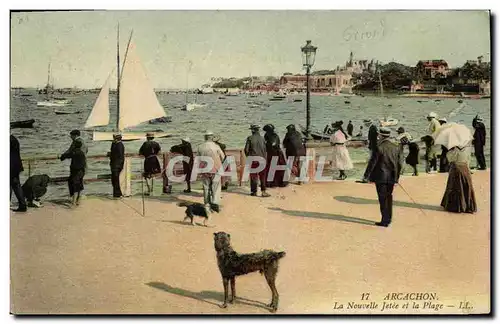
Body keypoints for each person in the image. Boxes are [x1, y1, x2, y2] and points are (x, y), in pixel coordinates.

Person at [365, 127, 402, 227]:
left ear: (380, 135)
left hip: (380, 176)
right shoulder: (396, 147)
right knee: (389, 197)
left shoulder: (379, 147)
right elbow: (399, 164)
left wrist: (366, 175)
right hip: (391, 177)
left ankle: (385, 220)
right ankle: (388, 219)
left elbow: (372, 162)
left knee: (382, 199)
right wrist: (397, 178)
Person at [441, 144, 477, 213]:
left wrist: (449, 151)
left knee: (455, 187)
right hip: (465, 169)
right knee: (466, 187)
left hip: (456, 170)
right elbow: (469, 160)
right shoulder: (467, 150)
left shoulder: (454, 151)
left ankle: (455, 206)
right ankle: (467, 205)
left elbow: (450, 159)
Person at [197, 130, 226, 211]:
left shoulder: (200, 146)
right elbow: (223, 157)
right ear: (212, 137)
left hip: (204, 170)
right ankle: (215, 204)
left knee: (206, 187)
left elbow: (198, 159)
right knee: (215, 188)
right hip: (216, 169)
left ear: (205, 137)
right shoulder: (216, 146)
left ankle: (207, 203)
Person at [245, 124, 270, 197]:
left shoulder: (250, 138)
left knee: (253, 176)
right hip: (262, 159)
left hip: (253, 159)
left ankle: (254, 192)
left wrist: (248, 156)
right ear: (258, 130)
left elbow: (246, 150)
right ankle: (263, 191)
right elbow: (265, 150)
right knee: (262, 176)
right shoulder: (262, 138)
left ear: (252, 130)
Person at [60, 137, 87, 207]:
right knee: (79, 185)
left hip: (76, 172)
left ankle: (74, 202)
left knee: (74, 186)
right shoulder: (82, 153)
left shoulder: (74, 152)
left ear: (74, 146)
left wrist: (60, 157)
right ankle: (78, 200)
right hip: (82, 171)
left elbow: (67, 155)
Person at [10, 134, 27, 212]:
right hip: (16, 166)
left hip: (11, 166)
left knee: (13, 185)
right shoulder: (14, 139)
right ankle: (23, 205)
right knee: (16, 185)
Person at [108, 133, 125, 198]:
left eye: (114, 138)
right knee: (114, 179)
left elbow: (119, 156)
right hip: (115, 164)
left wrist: (118, 165)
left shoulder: (119, 145)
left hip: (117, 165)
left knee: (115, 179)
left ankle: (117, 194)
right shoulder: (115, 144)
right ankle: (116, 193)